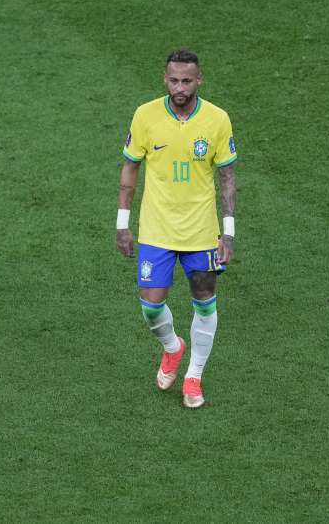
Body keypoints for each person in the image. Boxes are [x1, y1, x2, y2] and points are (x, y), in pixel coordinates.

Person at [115, 48, 237, 408]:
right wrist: (123, 224)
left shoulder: (217, 119)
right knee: (151, 306)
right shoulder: (145, 116)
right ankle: (173, 347)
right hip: (156, 229)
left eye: (187, 80)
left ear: (199, 80)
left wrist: (227, 233)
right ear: (164, 79)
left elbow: (228, 177)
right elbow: (129, 170)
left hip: (201, 232)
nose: (180, 87)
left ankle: (194, 376)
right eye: (174, 80)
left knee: (204, 299)